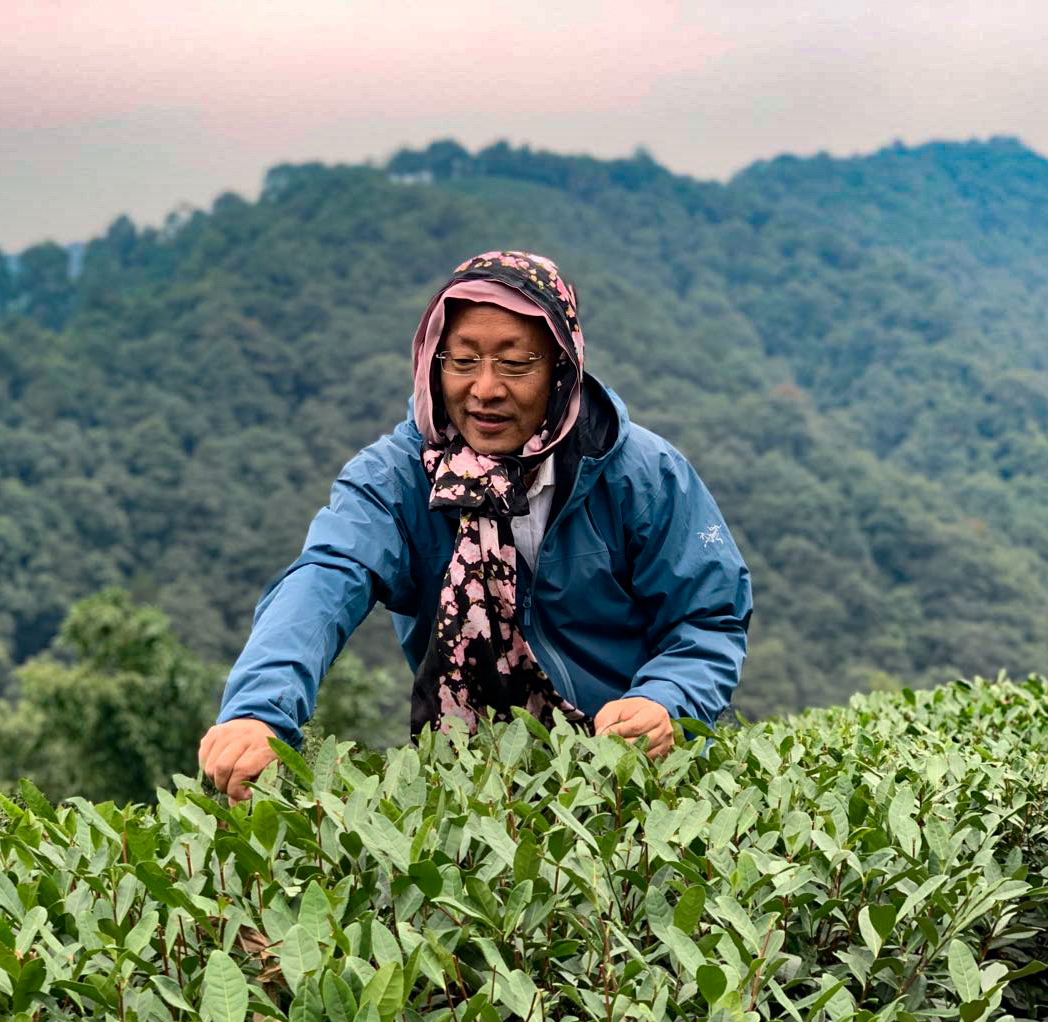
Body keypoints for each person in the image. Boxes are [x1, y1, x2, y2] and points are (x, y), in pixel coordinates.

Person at [199, 251, 751, 801]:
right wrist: (258, 711)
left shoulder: (639, 475)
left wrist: (666, 701)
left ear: (562, 369)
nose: (484, 389)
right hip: (474, 789)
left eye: (514, 364)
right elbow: (325, 579)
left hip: (634, 777)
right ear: (432, 364)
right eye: (462, 361)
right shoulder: (399, 480)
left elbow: (707, 616)